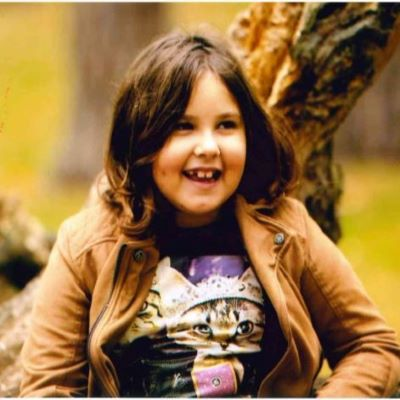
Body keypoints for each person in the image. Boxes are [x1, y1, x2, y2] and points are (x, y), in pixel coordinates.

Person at [20, 30, 400, 398]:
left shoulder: (287, 230)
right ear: (142, 138)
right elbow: (48, 387)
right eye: (183, 127)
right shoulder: (87, 245)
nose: (208, 147)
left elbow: (373, 347)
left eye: (226, 126)